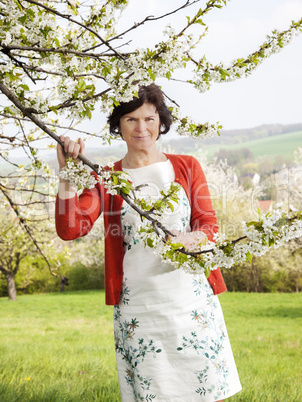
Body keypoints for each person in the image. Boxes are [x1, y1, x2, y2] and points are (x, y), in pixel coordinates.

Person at [55, 84, 242, 401]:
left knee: (205, 392)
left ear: (161, 122)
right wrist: (67, 177)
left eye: (149, 118)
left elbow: (208, 224)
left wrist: (191, 238)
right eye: (131, 119)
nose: (141, 128)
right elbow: (70, 229)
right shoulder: (108, 179)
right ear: (118, 125)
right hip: (140, 309)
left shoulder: (186, 167)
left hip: (191, 302)